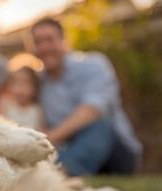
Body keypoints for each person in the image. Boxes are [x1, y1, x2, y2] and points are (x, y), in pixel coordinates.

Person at [31, 18, 142, 176]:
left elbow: (93, 110)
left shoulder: (94, 64)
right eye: (38, 42)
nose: (44, 47)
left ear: (65, 41)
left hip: (116, 153)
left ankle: (62, 171)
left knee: (100, 125)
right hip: (71, 149)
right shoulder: (38, 83)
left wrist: (50, 137)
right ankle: (55, 169)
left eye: (49, 39)